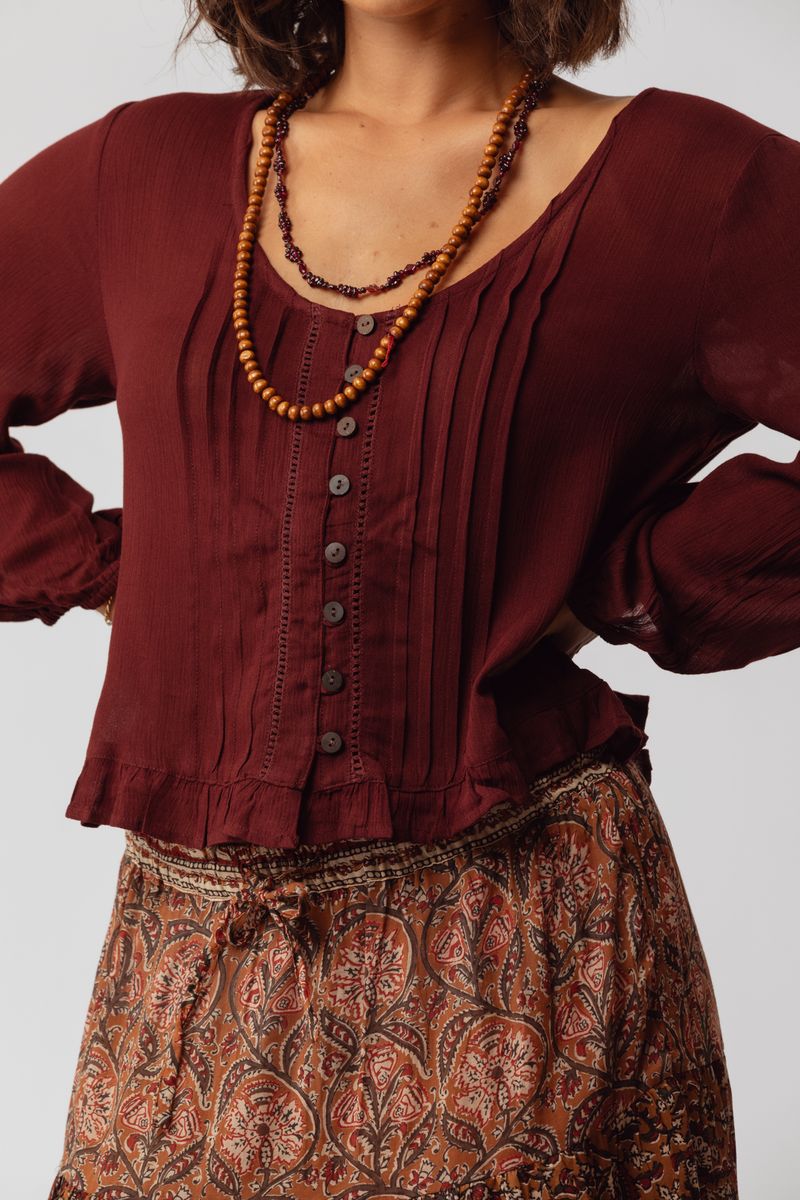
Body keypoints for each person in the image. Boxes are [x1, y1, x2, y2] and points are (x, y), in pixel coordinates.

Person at [3, 0, 798, 1195]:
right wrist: (113, 573)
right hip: (197, 979)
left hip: (534, 946)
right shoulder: (141, 175)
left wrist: (631, 587)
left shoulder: (688, 184)